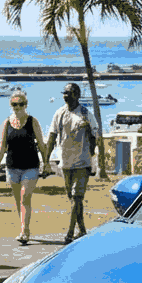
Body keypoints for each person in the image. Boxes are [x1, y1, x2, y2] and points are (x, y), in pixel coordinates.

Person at [0, 90, 49, 245]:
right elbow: (2, 145)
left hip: (30, 166)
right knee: (19, 201)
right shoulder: (6, 122)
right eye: (14, 104)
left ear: (26, 105)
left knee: (25, 198)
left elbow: (41, 144)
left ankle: (25, 232)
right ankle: (24, 227)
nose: (17, 107)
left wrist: (46, 163)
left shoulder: (33, 121)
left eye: (20, 104)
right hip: (12, 167)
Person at [45, 82, 99, 243]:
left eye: (68, 93)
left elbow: (94, 137)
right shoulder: (59, 113)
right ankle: (82, 230)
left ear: (77, 95)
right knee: (74, 199)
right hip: (66, 163)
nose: (65, 96)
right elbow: (52, 136)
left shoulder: (85, 114)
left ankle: (69, 233)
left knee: (76, 197)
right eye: (64, 93)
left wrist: (90, 155)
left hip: (82, 162)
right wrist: (46, 160)